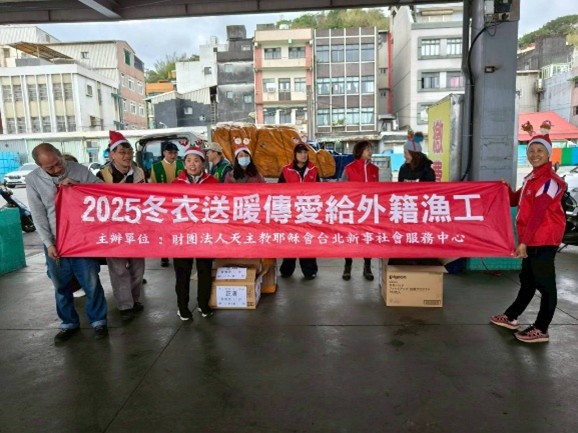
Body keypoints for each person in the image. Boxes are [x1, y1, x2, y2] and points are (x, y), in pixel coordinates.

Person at [26, 143, 108, 343]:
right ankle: (68, 323)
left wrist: (79, 186)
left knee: (91, 282)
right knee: (61, 286)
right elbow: (38, 215)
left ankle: (98, 320)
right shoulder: (33, 180)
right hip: (56, 242)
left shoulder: (78, 170)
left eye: (58, 163)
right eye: (50, 168)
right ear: (40, 166)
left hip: (82, 239)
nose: (57, 169)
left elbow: (102, 190)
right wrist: (49, 243)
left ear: (60, 155)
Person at [490, 132, 566, 343]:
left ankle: (541, 328)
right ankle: (511, 317)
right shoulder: (531, 179)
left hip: (544, 239)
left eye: (540, 150)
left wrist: (523, 242)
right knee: (528, 281)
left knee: (545, 285)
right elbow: (514, 200)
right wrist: (504, 188)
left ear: (548, 154)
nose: (535, 154)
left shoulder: (551, 182)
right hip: (532, 239)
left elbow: (538, 214)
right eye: (531, 150)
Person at [97, 131, 146, 322]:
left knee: (138, 268)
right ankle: (125, 305)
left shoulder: (139, 173)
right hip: (113, 229)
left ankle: (134, 299)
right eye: (122, 152)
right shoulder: (101, 175)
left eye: (129, 152)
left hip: (136, 228)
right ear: (112, 154)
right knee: (118, 269)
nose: (127, 156)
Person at [172, 144, 218, 320]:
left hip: (205, 234)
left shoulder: (213, 183)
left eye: (196, 161)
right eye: (189, 160)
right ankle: (182, 307)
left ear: (203, 163)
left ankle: (203, 304)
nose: (192, 164)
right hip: (182, 235)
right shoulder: (175, 184)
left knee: (204, 271)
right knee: (182, 274)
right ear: (184, 164)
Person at [278, 142, 320, 279]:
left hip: (308, 212)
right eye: (300, 152)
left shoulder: (313, 169)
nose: (303, 155)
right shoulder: (286, 170)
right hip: (291, 212)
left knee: (307, 240)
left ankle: (309, 269)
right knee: (291, 240)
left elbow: (320, 191)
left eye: (305, 152)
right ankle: (287, 269)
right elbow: (279, 192)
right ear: (295, 155)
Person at [341, 140, 379, 281]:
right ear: (359, 151)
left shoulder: (374, 169)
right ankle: (347, 266)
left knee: (367, 239)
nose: (370, 152)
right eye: (367, 149)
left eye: (370, 149)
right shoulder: (349, 169)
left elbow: (379, 190)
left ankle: (367, 267)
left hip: (368, 211)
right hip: (352, 211)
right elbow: (340, 190)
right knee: (349, 239)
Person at [150, 140, 184, 268]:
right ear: (164, 153)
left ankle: (178, 253)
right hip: (163, 203)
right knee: (164, 230)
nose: (173, 155)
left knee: (177, 229)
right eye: (170, 153)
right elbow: (153, 186)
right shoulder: (156, 167)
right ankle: (164, 256)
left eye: (175, 153)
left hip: (178, 203)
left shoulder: (181, 165)